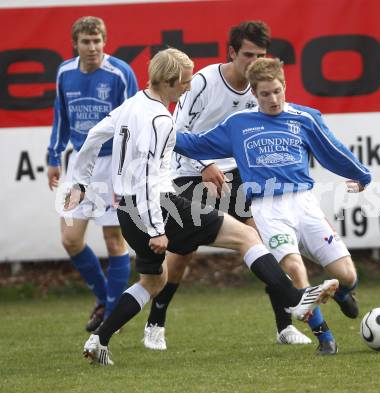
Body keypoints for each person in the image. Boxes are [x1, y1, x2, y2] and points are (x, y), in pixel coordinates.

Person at [64, 48, 339, 366]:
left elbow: (94, 136)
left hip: (128, 211)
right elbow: (151, 179)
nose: (189, 86)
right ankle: (296, 301)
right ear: (168, 80)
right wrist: (156, 229)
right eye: (184, 81)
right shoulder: (160, 120)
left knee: (153, 281)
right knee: (246, 237)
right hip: (159, 207)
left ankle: (99, 340)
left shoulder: (133, 104)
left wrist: (81, 182)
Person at [174, 57, 371, 351]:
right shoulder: (238, 124)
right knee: (294, 267)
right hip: (267, 208)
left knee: (347, 274)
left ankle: (343, 293)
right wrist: (157, 130)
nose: (273, 99)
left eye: (277, 91)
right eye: (265, 94)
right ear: (254, 93)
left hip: (304, 204)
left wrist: (361, 175)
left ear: (284, 86)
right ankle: (324, 337)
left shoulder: (305, 118)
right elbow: (195, 143)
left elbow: (333, 150)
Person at [144, 20, 316, 352]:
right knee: (182, 255)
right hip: (187, 171)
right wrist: (205, 165)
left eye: (261, 55)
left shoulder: (261, 89)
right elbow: (174, 135)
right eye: (248, 55)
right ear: (232, 53)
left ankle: (285, 326)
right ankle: (155, 322)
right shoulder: (204, 83)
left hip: (234, 173)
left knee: (268, 240)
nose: (254, 62)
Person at [47, 16, 138, 332]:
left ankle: (113, 315)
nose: (92, 47)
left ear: (104, 41)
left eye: (97, 40)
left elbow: (134, 123)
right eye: (86, 41)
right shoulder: (64, 73)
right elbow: (62, 116)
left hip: (112, 165)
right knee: (70, 239)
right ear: (75, 44)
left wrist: (129, 171)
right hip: (78, 166)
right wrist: (52, 157)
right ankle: (106, 300)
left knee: (114, 241)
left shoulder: (120, 73)